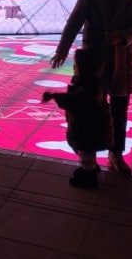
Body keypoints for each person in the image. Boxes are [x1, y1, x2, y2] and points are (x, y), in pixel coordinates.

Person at [50, 0, 132, 176]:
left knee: (120, 108)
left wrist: (122, 36)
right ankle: (89, 157)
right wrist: (62, 49)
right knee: (90, 107)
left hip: (122, 58)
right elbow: (74, 21)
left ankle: (116, 153)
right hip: (93, 58)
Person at [43, 48, 113, 188]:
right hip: (95, 130)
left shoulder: (87, 89)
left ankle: (89, 177)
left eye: (76, 65)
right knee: (88, 152)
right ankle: (90, 168)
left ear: (84, 69)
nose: (74, 67)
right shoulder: (95, 84)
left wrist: (54, 96)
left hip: (86, 132)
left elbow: (73, 101)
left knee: (85, 153)